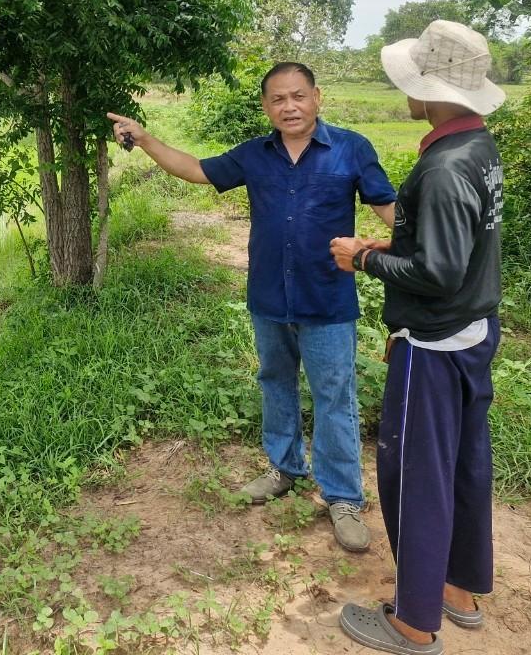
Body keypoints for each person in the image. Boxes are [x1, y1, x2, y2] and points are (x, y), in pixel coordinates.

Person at [108, 62, 396, 552]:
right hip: (269, 295)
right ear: (266, 106)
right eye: (278, 99)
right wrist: (146, 138)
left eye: (299, 96)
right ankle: (285, 469)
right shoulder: (254, 155)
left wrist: (432, 246)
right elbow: (197, 170)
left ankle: (343, 497)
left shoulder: (351, 148)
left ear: (317, 97)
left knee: (335, 396)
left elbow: (389, 208)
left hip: (327, 298)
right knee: (275, 382)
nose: (290, 107)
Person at [329, 20, 506, 655]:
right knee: (462, 466)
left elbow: (437, 271)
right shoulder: (477, 150)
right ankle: (458, 590)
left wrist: (363, 258)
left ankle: (412, 620)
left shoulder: (443, 169)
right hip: (472, 333)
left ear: (430, 93)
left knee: (414, 476)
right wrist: (395, 241)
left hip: (431, 347)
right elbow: (448, 247)